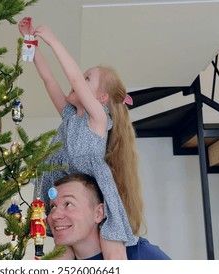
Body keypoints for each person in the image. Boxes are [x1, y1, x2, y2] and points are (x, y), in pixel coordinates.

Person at [19, 17, 144, 260]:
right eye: (83, 77)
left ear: (101, 97)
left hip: (92, 193)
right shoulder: (69, 115)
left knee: (112, 248)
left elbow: (73, 78)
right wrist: (30, 41)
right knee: (62, 248)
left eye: (88, 79)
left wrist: (53, 40)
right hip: (63, 187)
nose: (78, 80)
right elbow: (49, 80)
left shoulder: (97, 118)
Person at [48, 173, 171, 260]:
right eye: (53, 206)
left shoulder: (140, 255)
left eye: (68, 204)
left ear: (98, 213)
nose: (54, 216)